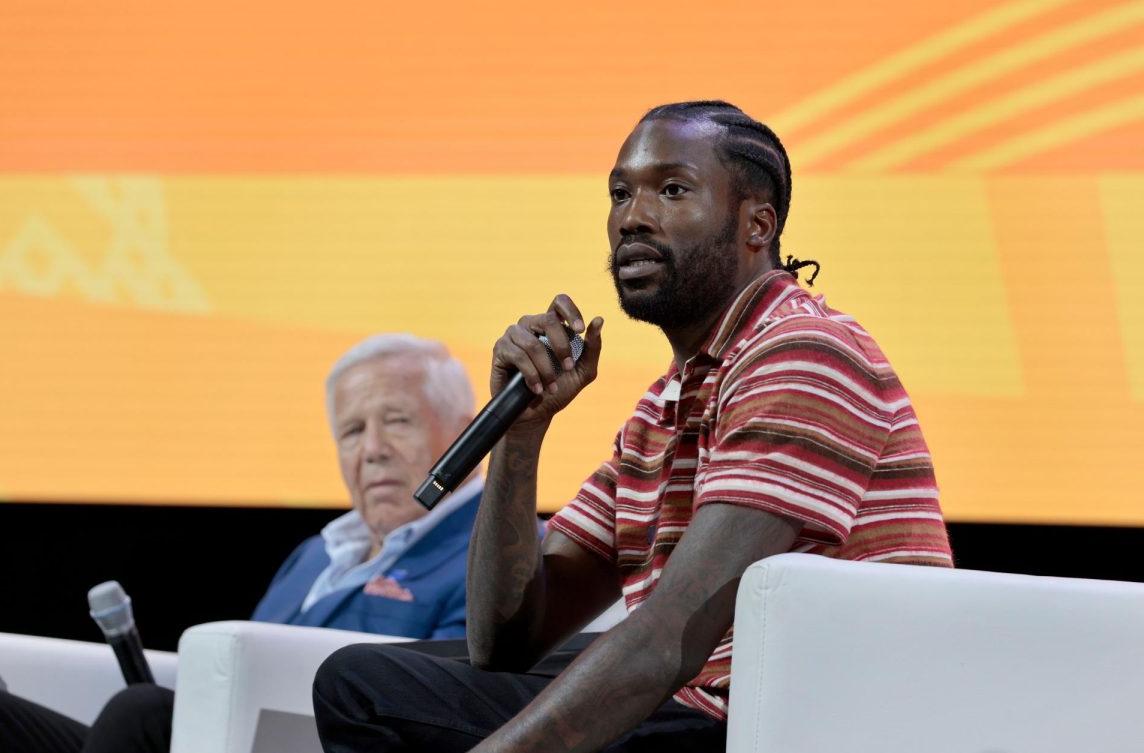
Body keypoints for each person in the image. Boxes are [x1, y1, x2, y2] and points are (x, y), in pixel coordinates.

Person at [312, 101, 954, 753]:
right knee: (372, 679)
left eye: (672, 189)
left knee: (369, 694)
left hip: (798, 723)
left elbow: (668, 637)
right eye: (620, 194)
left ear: (757, 222)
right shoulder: (666, 404)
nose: (632, 217)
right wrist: (521, 434)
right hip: (706, 703)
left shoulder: (803, 352)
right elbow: (503, 641)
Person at [0, 333, 483, 753]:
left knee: (143, 718)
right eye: (351, 431)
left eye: (397, 421)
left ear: (466, 434)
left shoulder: (492, 555)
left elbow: (445, 711)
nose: (372, 450)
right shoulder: (318, 554)